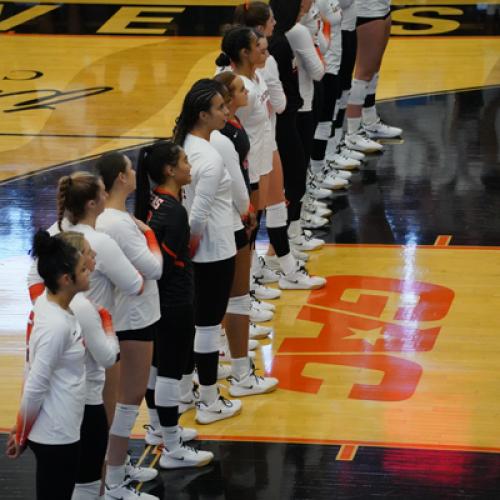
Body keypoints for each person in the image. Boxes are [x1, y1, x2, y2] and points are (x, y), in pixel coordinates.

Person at [27, 171, 158, 500]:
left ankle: (110, 481)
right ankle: (113, 482)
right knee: (97, 425)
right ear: (93, 202)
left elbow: (34, 283)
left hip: (67, 348)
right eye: (87, 264)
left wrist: (53, 308)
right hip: (93, 347)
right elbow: (138, 283)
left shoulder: (57, 236)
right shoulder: (96, 243)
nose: (92, 261)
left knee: (83, 435)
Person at [134, 140, 215, 468]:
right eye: (184, 161)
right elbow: (166, 268)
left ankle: (158, 428)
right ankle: (172, 448)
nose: (190, 167)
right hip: (174, 302)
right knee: (168, 373)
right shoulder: (176, 212)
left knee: (156, 369)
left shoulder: (153, 202)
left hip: (157, 303)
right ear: (169, 170)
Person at [173, 78, 242, 423]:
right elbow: (199, 211)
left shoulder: (185, 145)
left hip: (199, 248)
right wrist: (193, 241)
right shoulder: (211, 157)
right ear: (203, 114)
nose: (226, 111)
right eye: (219, 108)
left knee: (195, 323)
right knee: (208, 325)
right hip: (213, 248)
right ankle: (211, 400)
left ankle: (186, 392)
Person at [94, 153, 163, 499]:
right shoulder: (119, 224)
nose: (136, 172)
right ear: (121, 178)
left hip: (131, 317)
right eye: (130, 169)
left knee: (126, 399)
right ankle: (116, 478)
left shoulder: (112, 219)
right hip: (133, 320)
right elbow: (154, 268)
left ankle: (118, 465)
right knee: (127, 399)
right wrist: (149, 232)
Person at [6, 230, 90, 500]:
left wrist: (22, 429)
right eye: (83, 269)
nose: (90, 270)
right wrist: (21, 435)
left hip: (61, 427)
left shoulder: (52, 304)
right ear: (66, 279)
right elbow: (36, 384)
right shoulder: (55, 326)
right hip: (56, 434)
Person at [211, 74, 279, 394]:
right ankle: (235, 369)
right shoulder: (220, 137)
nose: (244, 93)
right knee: (228, 297)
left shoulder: (230, 126)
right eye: (237, 92)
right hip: (228, 220)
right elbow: (235, 180)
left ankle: (224, 351)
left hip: (230, 218)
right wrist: (246, 209)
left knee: (223, 297)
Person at [344, 0, 402, 152]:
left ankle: (370, 123)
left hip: (382, 7)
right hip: (366, 11)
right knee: (364, 72)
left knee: (374, 67)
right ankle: (353, 133)